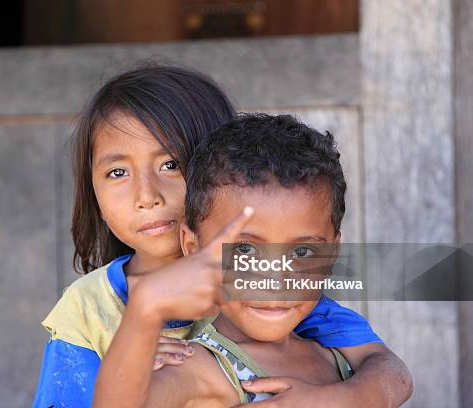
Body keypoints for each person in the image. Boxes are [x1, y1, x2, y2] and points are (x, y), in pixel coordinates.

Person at [32, 67, 413, 407]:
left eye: (171, 164)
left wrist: (339, 399)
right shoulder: (88, 308)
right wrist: (138, 330)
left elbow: (388, 369)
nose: (146, 196)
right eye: (118, 172)